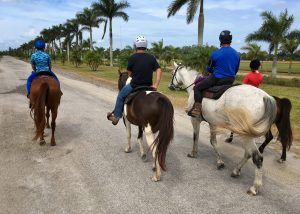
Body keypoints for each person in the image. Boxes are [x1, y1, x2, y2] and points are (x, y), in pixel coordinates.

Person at [107, 35, 162, 125]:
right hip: (149, 86)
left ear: (136, 45)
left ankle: (116, 117)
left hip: (134, 86)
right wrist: (156, 84)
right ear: (146, 46)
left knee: (120, 96)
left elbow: (129, 73)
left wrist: (133, 74)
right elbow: (159, 70)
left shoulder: (132, 57)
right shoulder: (152, 57)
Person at [188, 30, 240, 117]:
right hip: (230, 79)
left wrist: (211, 71)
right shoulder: (237, 54)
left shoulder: (215, 54)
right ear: (230, 40)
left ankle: (197, 109)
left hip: (217, 79)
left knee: (197, 88)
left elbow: (209, 69)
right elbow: (236, 70)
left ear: (220, 40)